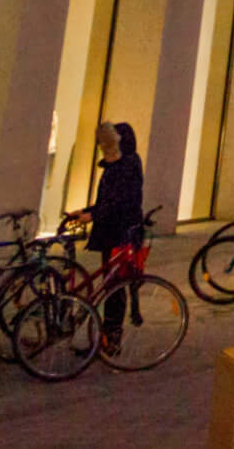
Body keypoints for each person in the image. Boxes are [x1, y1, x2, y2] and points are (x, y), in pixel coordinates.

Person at [87, 121, 145, 348]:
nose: (105, 151)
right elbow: (107, 200)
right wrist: (87, 212)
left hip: (121, 234)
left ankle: (111, 338)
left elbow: (119, 201)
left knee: (116, 287)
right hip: (111, 232)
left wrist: (93, 215)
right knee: (110, 283)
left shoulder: (128, 164)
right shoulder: (117, 165)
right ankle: (106, 334)